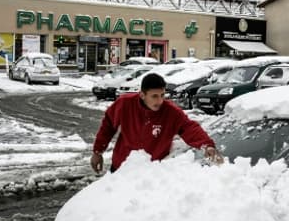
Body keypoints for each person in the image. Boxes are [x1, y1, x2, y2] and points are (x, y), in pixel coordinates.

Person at [91, 73, 222, 173]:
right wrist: (98, 151)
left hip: (152, 172)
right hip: (122, 167)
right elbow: (108, 125)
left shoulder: (171, 112)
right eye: (154, 96)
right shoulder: (125, 104)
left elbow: (189, 128)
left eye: (162, 95)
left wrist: (207, 145)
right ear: (142, 95)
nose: (159, 101)